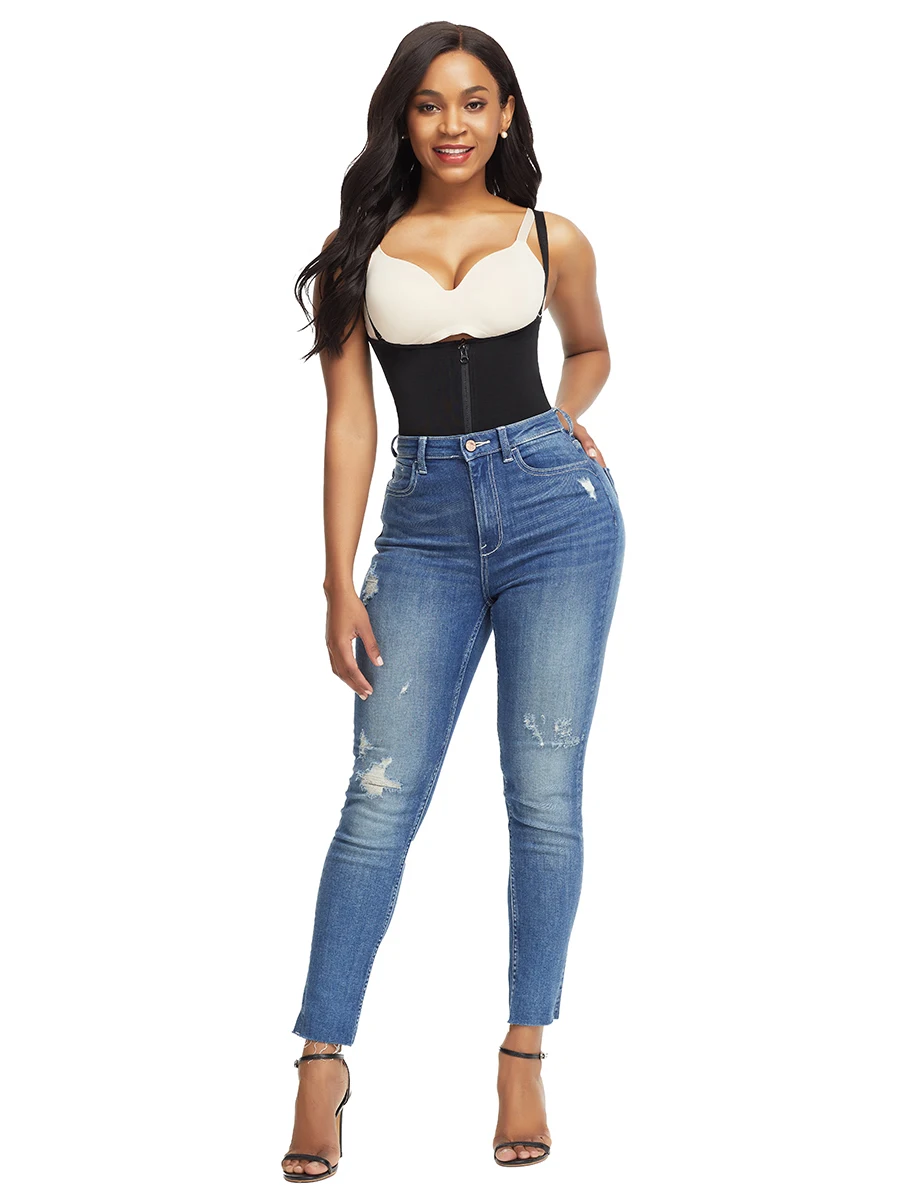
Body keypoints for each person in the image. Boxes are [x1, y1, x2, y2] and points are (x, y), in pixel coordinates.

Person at [282, 21, 625, 1181]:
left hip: (559, 515)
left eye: (476, 102)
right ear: (403, 116)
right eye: (430, 104)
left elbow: (591, 350)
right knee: (378, 799)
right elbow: (351, 421)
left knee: (544, 790)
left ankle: (524, 1052)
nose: (453, 125)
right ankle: (321, 1061)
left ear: (507, 114)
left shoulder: (551, 236)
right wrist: (338, 580)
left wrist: (565, 424)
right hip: (422, 526)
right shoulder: (355, 254)